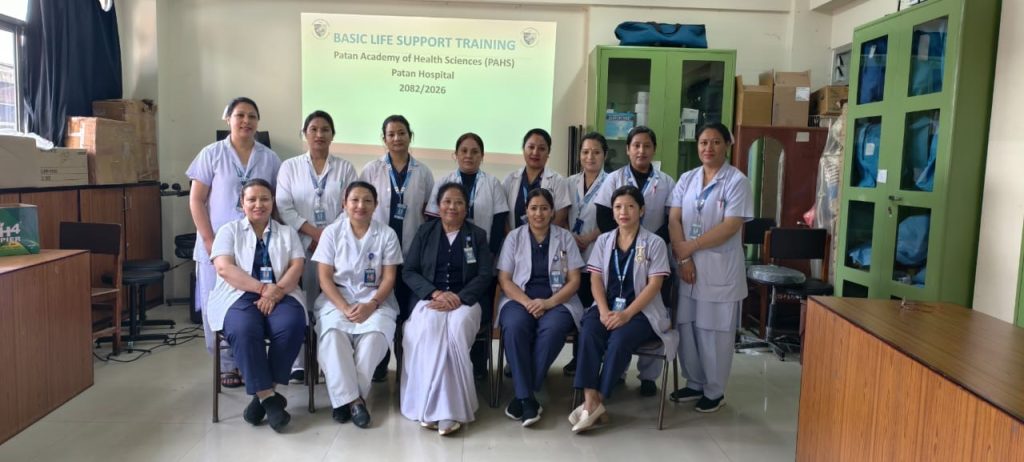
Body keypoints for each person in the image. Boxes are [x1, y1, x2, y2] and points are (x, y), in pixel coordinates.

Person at [188, 97, 282, 389]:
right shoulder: (212, 154)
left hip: (257, 246)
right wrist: (209, 240)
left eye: (252, 116)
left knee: (250, 303)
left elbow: (276, 203)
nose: (246, 121)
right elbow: (196, 200)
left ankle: (249, 360)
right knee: (217, 303)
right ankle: (226, 364)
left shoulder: (269, 158)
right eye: (240, 115)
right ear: (227, 119)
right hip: (217, 245)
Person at [569, 185, 678, 433]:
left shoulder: (654, 243)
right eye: (618, 207)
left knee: (619, 340)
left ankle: (595, 402)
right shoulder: (604, 240)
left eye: (630, 206)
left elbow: (655, 285)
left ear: (642, 210)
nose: (623, 212)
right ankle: (591, 400)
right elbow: (595, 278)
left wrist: (627, 314)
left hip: (641, 312)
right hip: (606, 307)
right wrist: (603, 311)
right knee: (589, 331)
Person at [207, 179, 306, 433]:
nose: (258, 204)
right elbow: (223, 268)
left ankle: (261, 398)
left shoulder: (287, 232)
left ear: (273, 202)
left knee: (291, 325)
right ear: (242, 203)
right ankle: (269, 399)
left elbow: (297, 266)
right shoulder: (229, 231)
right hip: (238, 294)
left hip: (282, 292)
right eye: (251, 199)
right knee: (244, 329)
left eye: (264, 199)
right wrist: (263, 289)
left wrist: (276, 291)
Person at [667, 122, 753, 413]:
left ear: (727, 145)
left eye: (716, 142)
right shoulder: (687, 178)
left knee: (713, 332)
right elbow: (674, 219)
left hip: (719, 271)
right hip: (687, 268)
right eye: (703, 142)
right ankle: (694, 383)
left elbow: (730, 226)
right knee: (687, 327)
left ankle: (714, 391)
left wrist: (689, 247)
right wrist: (684, 259)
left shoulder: (737, 181)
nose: (709, 148)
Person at [400, 183, 494, 436]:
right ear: (438, 206)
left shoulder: (477, 235)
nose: (452, 207)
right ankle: (429, 404)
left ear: (466, 208)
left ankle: (449, 411)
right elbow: (409, 271)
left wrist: (459, 298)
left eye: (459, 202)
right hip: (430, 299)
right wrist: (436, 293)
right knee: (429, 330)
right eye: (447, 202)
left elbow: (485, 274)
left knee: (455, 330)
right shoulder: (425, 232)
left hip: (466, 301)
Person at [592, 125, 676, 396]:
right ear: (628, 149)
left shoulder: (666, 181)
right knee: (618, 312)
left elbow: (671, 219)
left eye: (646, 145)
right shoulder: (614, 178)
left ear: (654, 149)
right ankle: (616, 372)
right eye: (636, 145)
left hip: (654, 256)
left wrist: (650, 243)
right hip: (620, 252)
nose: (641, 150)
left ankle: (648, 376)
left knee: (650, 311)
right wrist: (622, 242)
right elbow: (603, 215)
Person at [311, 181, 402, 429]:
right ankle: (355, 401)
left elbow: (389, 278)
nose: (360, 205)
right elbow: (324, 278)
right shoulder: (331, 233)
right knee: (332, 337)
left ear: (376, 205)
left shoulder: (386, 234)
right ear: (344, 203)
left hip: (376, 299)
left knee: (374, 339)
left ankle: (343, 400)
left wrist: (371, 305)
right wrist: (343, 307)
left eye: (367, 201)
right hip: (336, 298)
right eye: (354, 200)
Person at [276, 110, 358, 383]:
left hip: (335, 246)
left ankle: (328, 362)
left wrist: (326, 237)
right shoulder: (289, 167)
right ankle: (299, 363)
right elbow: (284, 207)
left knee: (330, 300)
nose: (319, 134)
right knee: (300, 300)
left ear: (333, 135)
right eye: (313, 129)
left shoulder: (345, 168)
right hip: (299, 244)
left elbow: (350, 207)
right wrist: (313, 233)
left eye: (325, 130)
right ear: (305, 134)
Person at [497, 188, 584, 427]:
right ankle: (527, 397)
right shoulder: (514, 237)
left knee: (553, 329)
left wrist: (547, 303)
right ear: (526, 211)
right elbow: (505, 280)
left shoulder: (565, 238)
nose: (539, 213)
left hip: (558, 300)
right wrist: (527, 302)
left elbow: (574, 281)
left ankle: (522, 396)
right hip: (519, 299)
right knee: (514, 326)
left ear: (553, 211)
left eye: (544, 208)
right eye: (533, 208)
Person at [425, 133, 509, 379]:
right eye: (464, 151)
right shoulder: (444, 182)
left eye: (474, 151)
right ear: (455, 154)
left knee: (478, 311)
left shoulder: (492, 183)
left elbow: (499, 222)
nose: (469, 156)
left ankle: (478, 366)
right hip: (448, 258)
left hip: (482, 259)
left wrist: (488, 256)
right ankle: (445, 366)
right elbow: (432, 218)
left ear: (482, 156)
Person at [360, 115, 435, 382]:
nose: (396, 138)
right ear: (384, 138)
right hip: (377, 254)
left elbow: (429, 214)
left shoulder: (423, 172)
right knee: (380, 307)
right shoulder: (371, 170)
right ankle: (379, 364)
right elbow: (360, 208)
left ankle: (405, 364)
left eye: (401, 133)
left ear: (410, 136)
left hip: (411, 254)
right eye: (391, 134)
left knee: (405, 309)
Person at [563, 131, 609, 376]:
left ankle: (592, 358)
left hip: (597, 250)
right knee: (576, 306)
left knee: (594, 307)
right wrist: (572, 238)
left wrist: (589, 238)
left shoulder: (611, 182)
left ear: (604, 155)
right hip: (571, 252)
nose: (590, 157)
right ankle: (576, 358)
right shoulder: (569, 182)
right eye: (585, 152)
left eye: (596, 152)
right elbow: (561, 215)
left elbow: (614, 219)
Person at [502, 128, 571, 231]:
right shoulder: (510, 179)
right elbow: (503, 216)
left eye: (542, 149)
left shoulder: (558, 181)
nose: (535, 152)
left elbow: (560, 216)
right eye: (531, 147)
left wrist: (542, 237)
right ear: (523, 149)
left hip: (547, 239)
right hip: (514, 239)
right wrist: (512, 238)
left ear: (548, 152)